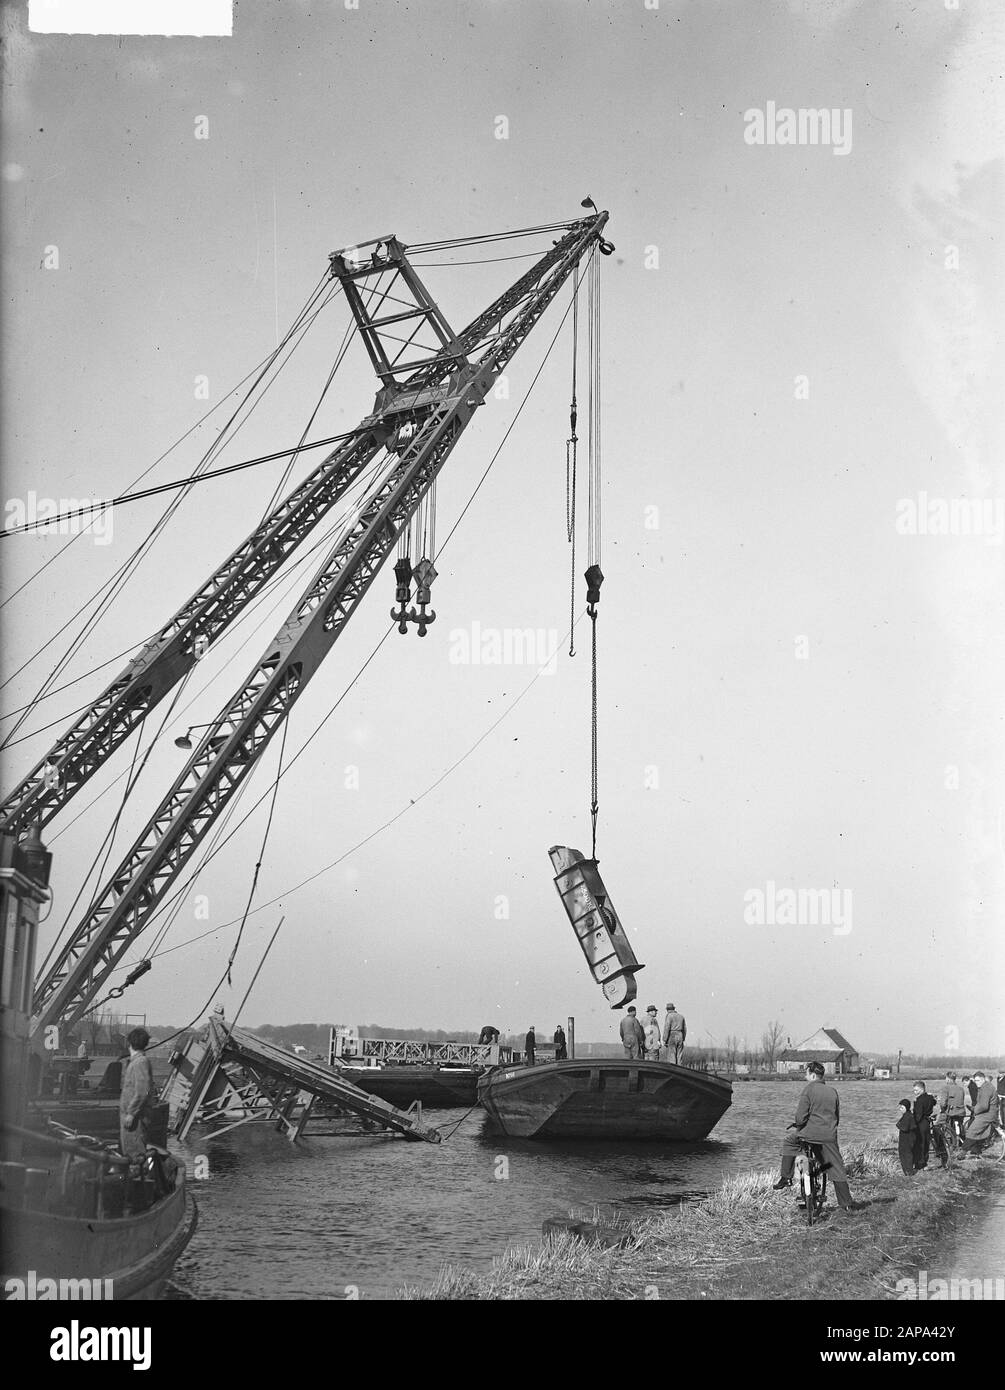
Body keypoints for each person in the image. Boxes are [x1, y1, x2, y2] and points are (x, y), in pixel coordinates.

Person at [773, 1061, 856, 1214]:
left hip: (808, 1135)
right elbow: (836, 1117)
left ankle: (786, 1177)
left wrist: (799, 1125)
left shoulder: (809, 1089)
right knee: (836, 1167)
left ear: (812, 1074)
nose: (805, 1077)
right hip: (828, 1136)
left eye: (806, 1074)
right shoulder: (832, 1091)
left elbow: (800, 1118)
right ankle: (846, 1204)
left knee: (789, 1142)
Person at [119, 1026, 155, 1162]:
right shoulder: (138, 1062)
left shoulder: (140, 1062)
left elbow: (142, 1091)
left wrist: (131, 1113)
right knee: (130, 1151)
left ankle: (139, 1180)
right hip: (133, 1118)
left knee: (135, 1155)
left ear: (130, 1043)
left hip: (136, 1119)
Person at [960, 1071, 998, 1156]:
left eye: (977, 1080)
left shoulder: (986, 1089)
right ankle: (976, 1151)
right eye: (975, 1080)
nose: (976, 1083)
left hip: (987, 1114)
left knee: (972, 1130)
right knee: (977, 1131)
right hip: (987, 1113)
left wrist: (975, 1110)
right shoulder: (985, 1086)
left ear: (983, 1079)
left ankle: (963, 1152)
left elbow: (984, 1106)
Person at [911, 1081, 936, 1170]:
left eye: (916, 1090)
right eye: (914, 1090)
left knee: (919, 1143)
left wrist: (912, 1123)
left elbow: (918, 1115)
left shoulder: (919, 1100)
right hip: (927, 1122)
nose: (915, 1092)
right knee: (926, 1142)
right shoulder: (929, 1098)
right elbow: (934, 1102)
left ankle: (919, 1164)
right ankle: (925, 1162)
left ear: (921, 1089)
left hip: (920, 1123)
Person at [896, 1099, 918, 1175]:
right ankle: (907, 1171)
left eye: (902, 1108)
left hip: (907, 1139)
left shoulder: (908, 1116)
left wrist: (898, 1125)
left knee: (906, 1154)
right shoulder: (908, 1115)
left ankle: (908, 1171)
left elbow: (904, 1127)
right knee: (906, 1154)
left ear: (906, 1108)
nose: (900, 1109)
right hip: (908, 1139)